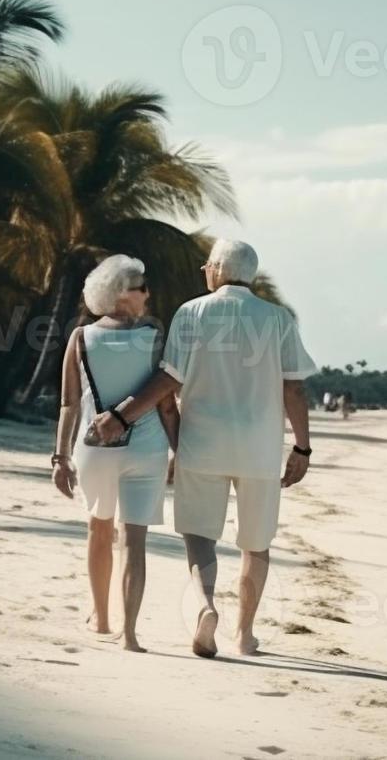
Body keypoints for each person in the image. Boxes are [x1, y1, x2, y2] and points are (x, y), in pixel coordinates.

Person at [88, 239, 314, 658]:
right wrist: (302, 447)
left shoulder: (192, 312)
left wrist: (121, 416)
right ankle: (245, 635)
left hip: (202, 441)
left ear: (216, 270)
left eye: (206, 267)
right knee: (255, 542)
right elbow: (294, 388)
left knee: (200, 535)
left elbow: (169, 379)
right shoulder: (277, 318)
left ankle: (206, 607)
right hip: (260, 448)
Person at [50, 255, 178, 653]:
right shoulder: (156, 336)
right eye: (141, 287)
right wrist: (181, 450)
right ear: (123, 294)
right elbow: (166, 404)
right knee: (135, 540)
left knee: (99, 529)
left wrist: (60, 457)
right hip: (148, 447)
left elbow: (69, 404)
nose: (147, 293)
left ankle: (101, 618)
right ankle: (132, 634)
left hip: (94, 449)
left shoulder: (80, 338)